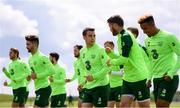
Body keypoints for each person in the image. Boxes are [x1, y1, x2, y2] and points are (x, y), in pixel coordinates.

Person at [107, 15, 150, 107]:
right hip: (127, 78)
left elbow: (124, 59)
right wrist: (111, 54)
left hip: (138, 77)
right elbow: (123, 56)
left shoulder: (126, 36)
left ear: (115, 25)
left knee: (144, 106)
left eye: (110, 26)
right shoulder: (120, 36)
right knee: (123, 105)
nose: (110, 29)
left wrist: (111, 62)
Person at [138, 14, 180, 107]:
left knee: (161, 106)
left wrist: (171, 73)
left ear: (153, 24)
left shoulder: (169, 36)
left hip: (168, 78)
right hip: (156, 79)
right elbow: (151, 61)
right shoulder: (147, 41)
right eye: (142, 29)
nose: (144, 32)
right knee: (159, 106)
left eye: (145, 28)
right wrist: (149, 78)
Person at [80, 27, 110, 107]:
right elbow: (84, 69)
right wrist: (82, 82)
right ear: (84, 37)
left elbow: (108, 68)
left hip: (101, 86)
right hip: (88, 87)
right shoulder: (82, 51)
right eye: (90, 36)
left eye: (94, 36)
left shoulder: (101, 50)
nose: (93, 38)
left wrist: (94, 76)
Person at [25, 35, 55, 107]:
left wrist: (37, 76)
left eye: (28, 44)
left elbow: (52, 70)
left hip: (44, 88)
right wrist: (29, 77)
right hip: (38, 89)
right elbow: (32, 73)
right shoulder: (30, 59)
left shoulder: (42, 57)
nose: (26, 46)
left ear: (34, 44)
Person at [104, 41, 123, 108]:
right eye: (105, 47)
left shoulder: (118, 57)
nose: (106, 48)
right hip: (110, 87)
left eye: (107, 46)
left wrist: (111, 73)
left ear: (112, 47)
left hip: (119, 86)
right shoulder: (106, 59)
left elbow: (122, 73)